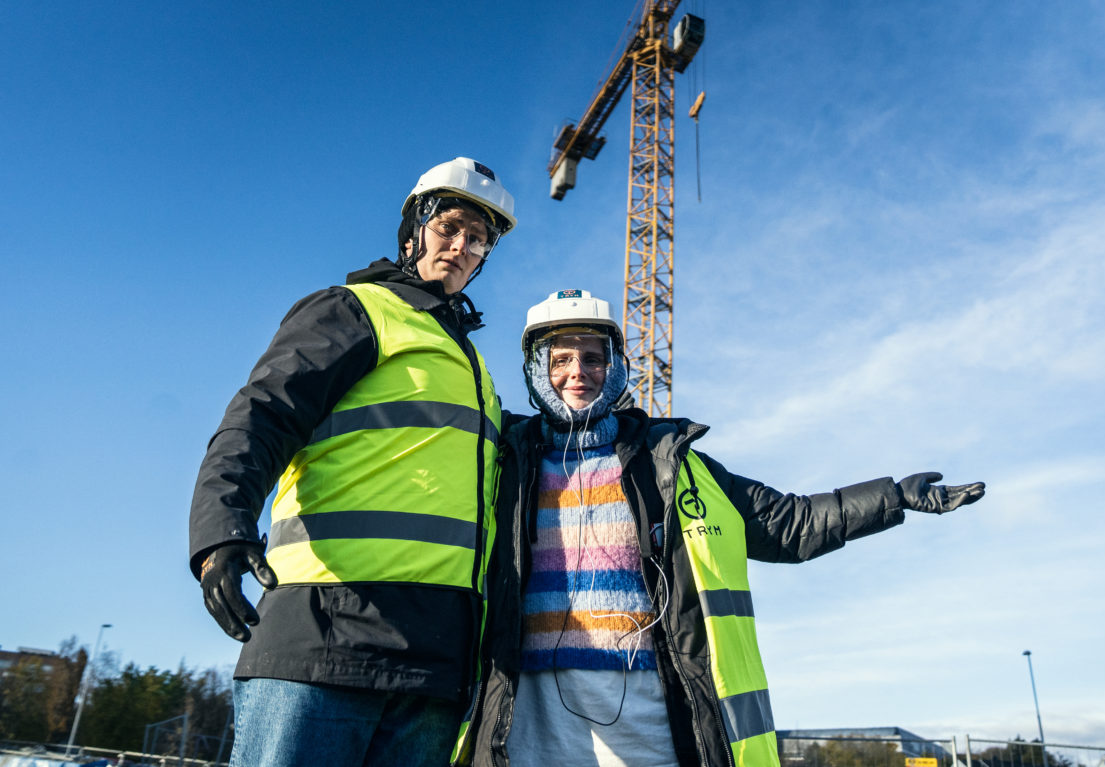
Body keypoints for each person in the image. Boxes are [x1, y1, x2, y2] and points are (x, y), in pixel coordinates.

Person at [461, 289, 986, 767]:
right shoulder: (501, 461)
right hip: (529, 730)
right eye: (561, 360)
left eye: (593, 358)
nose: (577, 371)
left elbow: (788, 523)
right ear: (536, 370)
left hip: (651, 730)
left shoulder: (671, 464)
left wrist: (892, 497)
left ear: (615, 368)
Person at [188, 157, 516, 767]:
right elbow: (263, 414)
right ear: (415, 227)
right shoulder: (356, 309)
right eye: (450, 227)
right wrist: (220, 531)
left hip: (435, 663)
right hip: (324, 636)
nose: (462, 247)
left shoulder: (476, 373)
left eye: (478, 240)